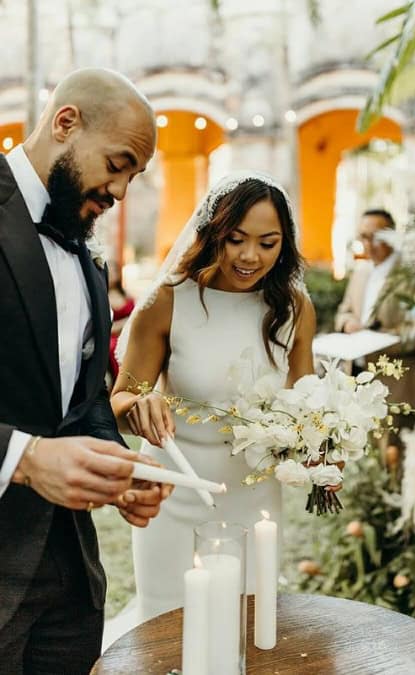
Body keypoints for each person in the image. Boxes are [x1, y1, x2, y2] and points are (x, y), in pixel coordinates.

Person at [111, 171, 340, 621]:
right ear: (213, 232)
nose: (250, 256)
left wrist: (323, 449)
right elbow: (118, 402)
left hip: (254, 501)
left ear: (284, 244)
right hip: (174, 493)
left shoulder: (293, 308)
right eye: (236, 239)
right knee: (169, 631)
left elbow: (304, 405)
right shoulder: (168, 301)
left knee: (248, 629)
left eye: (268, 243)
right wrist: (138, 405)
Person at [0, 68, 166, 675]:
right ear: (66, 122)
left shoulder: (83, 247)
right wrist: (23, 458)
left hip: (71, 580)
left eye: (133, 176)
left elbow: (86, 398)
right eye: (117, 164)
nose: (121, 190)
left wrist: (116, 462)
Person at [335, 208, 415, 439]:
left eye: (376, 236)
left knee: (394, 460)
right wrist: (347, 324)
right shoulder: (361, 271)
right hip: (356, 377)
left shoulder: (411, 276)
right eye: (363, 236)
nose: (368, 243)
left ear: (392, 236)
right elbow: (343, 311)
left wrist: (379, 340)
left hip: (396, 384)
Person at [108, 260, 135, 381]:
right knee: (113, 347)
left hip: (130, 336)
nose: (112, 274)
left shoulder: (127, 295)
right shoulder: (103, 297)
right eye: (109, 271)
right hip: (112, 338)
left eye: (115, 271)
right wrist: (124, 323)